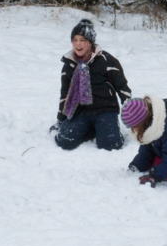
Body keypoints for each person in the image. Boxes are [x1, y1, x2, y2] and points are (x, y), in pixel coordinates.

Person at [54, 19, 131, 151]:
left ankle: (102, 129)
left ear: (90, 42)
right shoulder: (69, 65)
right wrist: (61, 119)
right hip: (80, 111)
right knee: (64, 141)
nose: (78, 44)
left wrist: (130, 109)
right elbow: (65, 95)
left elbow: (122, 86)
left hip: (105, 110)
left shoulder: (107, 61)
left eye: (82, 40)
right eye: (75, 40)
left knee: (111, 145)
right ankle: (90, 129)